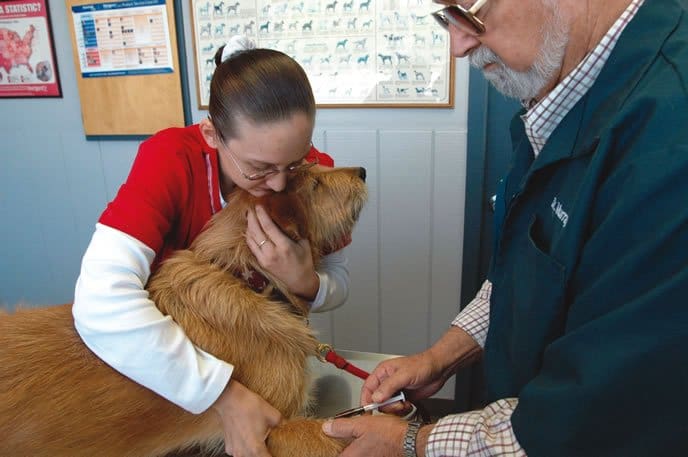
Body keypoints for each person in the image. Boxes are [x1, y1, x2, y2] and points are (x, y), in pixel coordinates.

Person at [323, 0, 688, 455]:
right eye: (444, 18)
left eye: (469, 11)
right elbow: (527, 266)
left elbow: (587, 421)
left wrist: (411, 441)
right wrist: (441, 357)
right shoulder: (558, 92)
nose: (457, 46)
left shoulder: (668, 144)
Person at [72, 36, 351, 457]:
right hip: (165, 379)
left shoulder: (313, 171)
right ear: (212, 134)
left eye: (294, 163)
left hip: (260, 363)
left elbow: (341, 282)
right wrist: (222, 394)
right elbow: (99, 302)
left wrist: (307, 281)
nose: (278, 184)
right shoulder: (170, 159)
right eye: (259, 168)